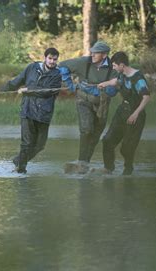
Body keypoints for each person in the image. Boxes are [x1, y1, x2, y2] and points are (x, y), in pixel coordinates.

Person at [0, 47, 62, 173]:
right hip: (28, 110)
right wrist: (2, 89)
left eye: (55, 59)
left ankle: (19, 160)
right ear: (45, 58)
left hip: (44, 114)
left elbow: (47, 92)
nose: (52, 62)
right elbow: (17, 81)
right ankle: (21, 169)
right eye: (50, 58)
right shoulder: (32, 67)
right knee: (26, 143)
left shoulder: (57, 75)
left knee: (40, 145)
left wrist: (28, 90)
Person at [59, 41, 117, 173]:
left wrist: (100, 90)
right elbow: (62, 66)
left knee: (95, 135)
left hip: (102, 105)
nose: (92, 54)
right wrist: (69, 84)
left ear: (104, 55)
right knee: (86, 130)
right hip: (83, 101)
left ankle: (84, 164)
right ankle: (81, 162)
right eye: (92, 52)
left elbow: (114, 91)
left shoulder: (113, 68)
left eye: (95, 53)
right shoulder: (83, 62)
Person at [96, 52, 151, 175]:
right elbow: (117, 81)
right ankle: (108, 168)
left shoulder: (138, 78)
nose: (113, 68)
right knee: (107, 140)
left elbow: (146, 97)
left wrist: (135, 114)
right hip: (122, 111)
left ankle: (128, 170)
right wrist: (106, 83)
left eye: (115, 65)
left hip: (135, 114)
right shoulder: (122, 74)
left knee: (126, 148)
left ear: (122, 65)